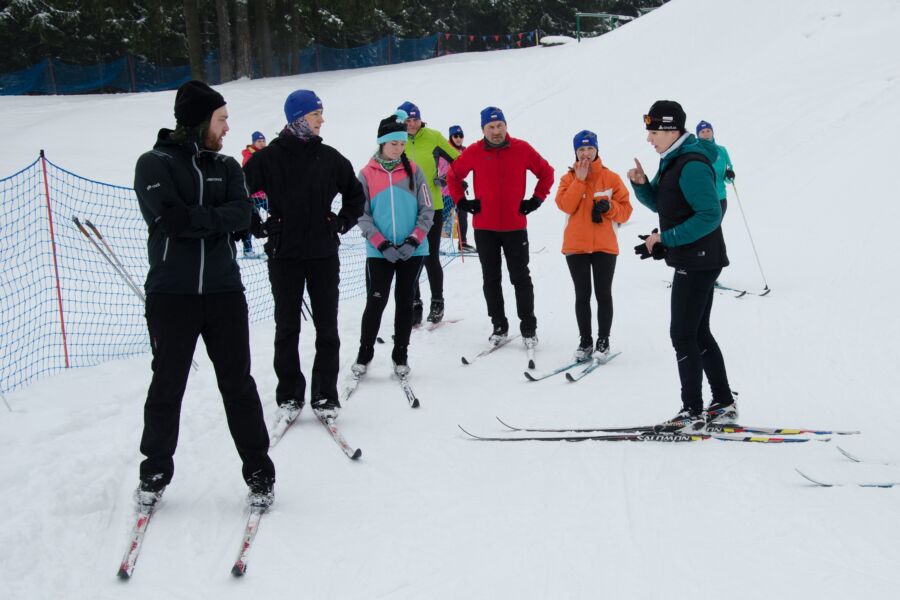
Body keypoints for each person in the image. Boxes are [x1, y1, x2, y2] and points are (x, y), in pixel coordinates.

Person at [133, 80, 275, 511]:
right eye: (221, 119)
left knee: (238, 384)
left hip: (224, 293)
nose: (228, 126)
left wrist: (205, 218)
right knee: (168, 383)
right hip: (171, 294)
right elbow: (171, 221)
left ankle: (259, 473)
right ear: (199, 121)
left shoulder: (228, 165)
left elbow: (243, 215)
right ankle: (154, 473)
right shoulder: (153, 163)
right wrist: (215, 218)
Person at [243, 89, 365, 423]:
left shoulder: (330, 157)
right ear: (298, 118)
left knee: (327, 327)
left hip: (324, 254)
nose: (321, 120)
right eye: (316, 115)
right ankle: (290, 396)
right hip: (284, 255)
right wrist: (259, 226)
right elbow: (239, 193)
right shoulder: (268, 158)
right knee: (287, 327)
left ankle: (325, 394)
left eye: (320, 114)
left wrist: (340, 222)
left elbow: (356, 195)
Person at [627, 100, 736, 432]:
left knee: (683, 333)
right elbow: (664, 203)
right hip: (697, 258)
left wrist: (668, 239)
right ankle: (723, 403)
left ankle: (692, 412)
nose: (649, 138)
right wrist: (643, 185)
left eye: (653, 130)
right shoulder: (673, 159)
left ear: (671, 129)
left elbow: (710, 215)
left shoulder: (690, 164)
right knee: (697, 332)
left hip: (699, 260)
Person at [446, 106, 554, 348]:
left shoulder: (522, 149)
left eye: (499, 126)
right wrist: (461, 201)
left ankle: (528, 327)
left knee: (520, 277)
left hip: (515, 226)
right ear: (483, 129)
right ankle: (499, 325)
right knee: (491, 278)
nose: (496, 131)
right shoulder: (474, 151)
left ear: (506, 126)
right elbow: (453, 176)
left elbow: (547, 173)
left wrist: (536, 200)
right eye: (490, 127)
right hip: (485, 228)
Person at [353, 110, 434, 375]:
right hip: (380, 252)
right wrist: (381, 243)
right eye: (393, 143)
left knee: (404, 300)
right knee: (376, 301)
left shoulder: (414, 171)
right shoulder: (366, 174)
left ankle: (400, 355)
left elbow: (427, 210)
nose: (398, 148)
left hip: (413, 249)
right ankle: (364, 354)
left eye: (401, 143)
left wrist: (414, 239)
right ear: (381, 143)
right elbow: (361, 214)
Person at [555, 130, 632, 361]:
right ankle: (585, 341)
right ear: (575, 152)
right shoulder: (568, 179)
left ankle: (603, 340)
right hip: (575, 247)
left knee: (603, 294)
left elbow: (626, 211)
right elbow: (566, 206)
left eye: (589, 149)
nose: (585, 154)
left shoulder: (611, 178)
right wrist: (579, 180)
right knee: (582, 295)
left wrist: (609, 208)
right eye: (581, 149)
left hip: (604, 246)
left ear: (597, 149)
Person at [397, 101, 459, 324]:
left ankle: (437, 302)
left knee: (430, 257)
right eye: (407, 120)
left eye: (415, 119)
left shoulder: (433, 136)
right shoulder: (396, 139)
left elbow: (458, 159)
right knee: (410, 256)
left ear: (420, 119)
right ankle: (415, 303)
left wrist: (445, 179)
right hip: (405, 208)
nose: (411, 124)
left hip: (432, 206)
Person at [238, 131, 268, 258]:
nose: (262, 144)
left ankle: (273, 245)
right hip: (253, 195)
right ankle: (247, 249)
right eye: (259, 141)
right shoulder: (249, 156)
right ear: (254, 143)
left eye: (263, 141)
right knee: (250, 221)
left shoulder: (266, 154)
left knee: (277, 217)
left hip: (265, 194)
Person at [695, 120, 735, 214]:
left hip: (720, 198)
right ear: (698, 135)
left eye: (708, 130)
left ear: (712, 132)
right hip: (702, 200)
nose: (706, 134)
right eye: (702, 132)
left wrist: (730, 176)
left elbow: (728, 175)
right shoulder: (695, 151)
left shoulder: (722, 150)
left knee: (716, 228)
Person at [446, 124, 475, 252]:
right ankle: (428, 244)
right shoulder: (445, 149)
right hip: (444, 192)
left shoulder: (464, 151)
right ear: (451, 137)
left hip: (457, 191)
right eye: (455, 136)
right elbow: (444, 170)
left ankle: (462, 244)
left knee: (463, 215)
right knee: (438, 218)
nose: (458, 138)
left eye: (461, 136)